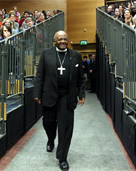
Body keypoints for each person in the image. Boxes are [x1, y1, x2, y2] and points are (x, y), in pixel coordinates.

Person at [33, 30, 85, 171]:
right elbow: (40, 75)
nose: (62, 41)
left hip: (67, 97)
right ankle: (51, 138)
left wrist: (81, 94)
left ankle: (62, 157)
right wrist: (37, 93)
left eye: (65, 39)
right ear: (54, 41)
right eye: (59, 39)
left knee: (66, 127)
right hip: (49, 95)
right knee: (48, 122)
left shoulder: (76, 56)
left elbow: (81, 77)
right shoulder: (46, 53)